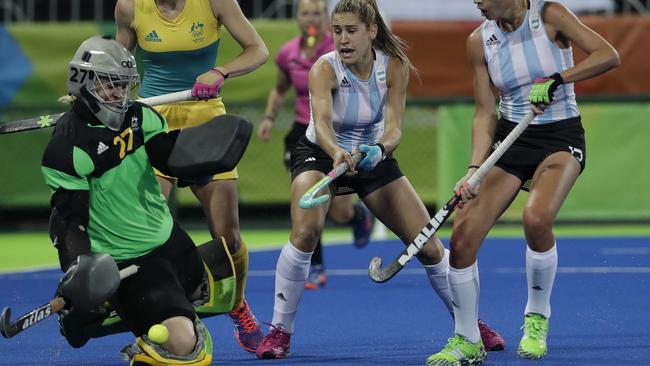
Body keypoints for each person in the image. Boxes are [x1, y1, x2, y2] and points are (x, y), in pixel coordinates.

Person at [255, 0, 504, 360]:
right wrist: (338, 152)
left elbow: (394, 129)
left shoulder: (394, 68)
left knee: (429, 246)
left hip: (373, 155)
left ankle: (469, 324)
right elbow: (322, 124)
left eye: (351, 30)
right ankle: (280, 331)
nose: (342, 39)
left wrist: (379, 150)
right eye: (337, 31)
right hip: (321, 154)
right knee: (306, 233)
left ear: (371, 31)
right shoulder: (322, 70)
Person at [425, 0, 620, 364]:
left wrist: (558, 79)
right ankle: (467, 340)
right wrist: (474, 169)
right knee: (464, 233)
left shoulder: (550, 15)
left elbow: (608, 55)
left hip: (559, 136)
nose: (477, 2)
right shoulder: (478, 40)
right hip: (510, 139)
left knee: (536, 219)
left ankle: (536, 317)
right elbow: (485, 111)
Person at [41, 36, 254, 365]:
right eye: (109, 85)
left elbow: (168, 157)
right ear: (82, 83)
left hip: (170, 241)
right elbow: (71, 220)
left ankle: (111, 306)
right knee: (187, 347)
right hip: (130, 262)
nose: (119, 95)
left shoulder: (139, 117)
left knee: (218, 285)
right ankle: (96, 312)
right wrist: (80, 273)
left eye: (124, 86)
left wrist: (202, 162)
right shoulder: (66, 149)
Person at [114, 0, 269, 353]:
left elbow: (258, 50)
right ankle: (165, 315)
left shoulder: (215, 1)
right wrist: (92, 93)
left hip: (206, 119)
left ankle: (237, 305)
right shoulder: (128, 7)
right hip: (153, 122)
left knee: (227, 238)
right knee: (148, 235)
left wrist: (221, 72)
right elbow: (118, 66)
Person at [257, 0, 374, 290]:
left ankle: (359, 215)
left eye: (317, 14)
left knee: (339, 212)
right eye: (305, 13)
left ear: (326, 20)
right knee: (309, 200)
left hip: (340, 135)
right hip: (302, 135)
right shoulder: (288, 53)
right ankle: (316, 266)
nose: (310, 18)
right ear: (297, 18)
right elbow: (280, 87)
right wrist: (269, 117)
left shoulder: (338, 52)